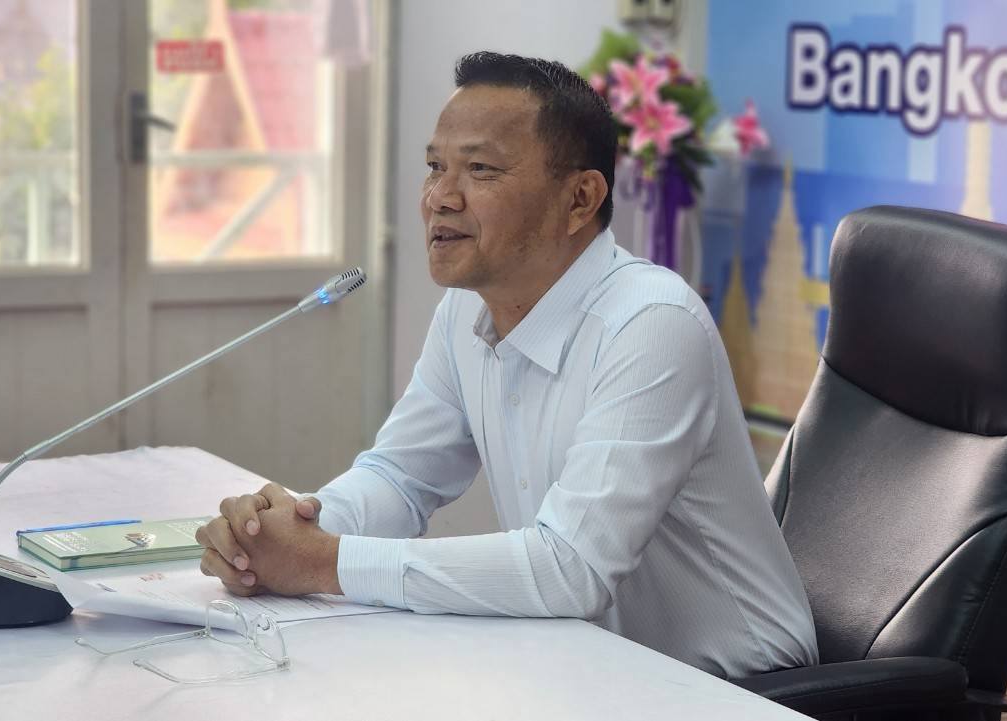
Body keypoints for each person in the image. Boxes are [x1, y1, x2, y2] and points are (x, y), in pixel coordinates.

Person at [196, 51, 817, 678]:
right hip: (587, 665)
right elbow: (401, 477)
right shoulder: (465, 312)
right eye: (435, 167)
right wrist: (281, 535)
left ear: (580, 199)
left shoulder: (651, 324)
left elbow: (571, 568)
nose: (440, 198)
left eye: (480, 170)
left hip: (742, 690)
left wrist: (322, 562)